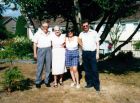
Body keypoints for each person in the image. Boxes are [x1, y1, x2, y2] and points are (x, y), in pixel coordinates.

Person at [79, 20, 100, 91]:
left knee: (94, 70)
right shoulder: (81, 33)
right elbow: (79, 41)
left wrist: (97, 53)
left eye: (86, 25)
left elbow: (97, 43)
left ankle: (96, 85)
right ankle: (89, 83)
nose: (85, 27)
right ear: (82, 26)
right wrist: (82, 49)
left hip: (92, 53)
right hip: (85, 53)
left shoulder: (94, 32)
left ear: (89, 25)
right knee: (87, 70)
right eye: (84, 26)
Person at [33, 20, 52, 88]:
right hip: (40, 50)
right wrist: (35, 54)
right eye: (44, 26)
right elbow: (35, 44)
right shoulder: (38, 33)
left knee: (48, 66)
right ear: (41, 27)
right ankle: (38, 82)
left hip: (49, 50)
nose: (45, 28)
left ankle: (47, 81)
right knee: (40, 67)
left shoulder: (50, 33)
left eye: (47, 26)